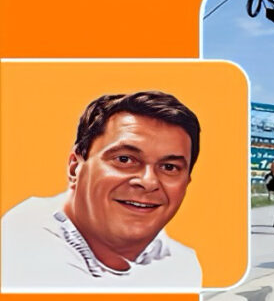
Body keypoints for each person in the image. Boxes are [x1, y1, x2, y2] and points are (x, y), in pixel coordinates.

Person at [1, 91, 202, 290]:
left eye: (169, 167)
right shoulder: (24, 237)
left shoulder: (183, 264)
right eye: (124, 159)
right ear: (75, 167)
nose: (149, 182)